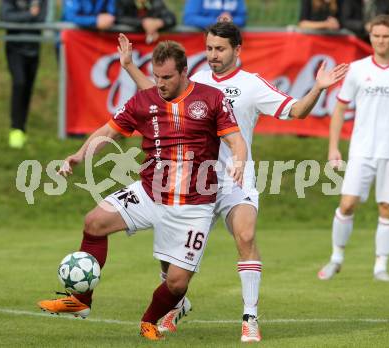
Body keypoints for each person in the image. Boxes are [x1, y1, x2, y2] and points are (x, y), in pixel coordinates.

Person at [117, 21, 348, 342]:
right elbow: (155, 94)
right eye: (209, 48)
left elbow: (296, 111)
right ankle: (177, 304)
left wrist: (318, 88)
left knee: (246, 235)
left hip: (235, 181)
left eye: (220, 49)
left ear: (237, 50)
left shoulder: (251, 85)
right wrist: (129, 66)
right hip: (193, 183)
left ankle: (250, 317)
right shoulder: (192, 80)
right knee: (170, 260)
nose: (213, 54)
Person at [37, 40, 247, 341]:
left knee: (176, 283)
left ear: (185, 72)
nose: (160, 84)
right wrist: (80, 154)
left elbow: (236, 140)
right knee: (94, 222)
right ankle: (81, 302)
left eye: (167, 77)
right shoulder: (143, 101)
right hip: (150, 192)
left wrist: (238, 160)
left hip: (194, 204)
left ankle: (149, 320)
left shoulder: (212, 99)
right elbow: (108, 130)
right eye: (156, 76)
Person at [318, 15, 389, 282]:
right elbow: (340, 109)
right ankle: (336, 258)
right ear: (371, 38)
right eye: (376, 35)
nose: (381, 40)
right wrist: (334, 148)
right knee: (348, 203)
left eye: (386, 36)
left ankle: (380, 267)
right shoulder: (356, 69)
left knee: (388, 208)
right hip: (362, 149)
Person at [1, 0, 47, 149]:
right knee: (19, 83)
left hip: (34, 49)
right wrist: (29, 14)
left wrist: (22, 17)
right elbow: (5, 16)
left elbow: (42, 17)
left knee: (28, 88)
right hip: (15, 48)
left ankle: (22, 128)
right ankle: (15, 128)